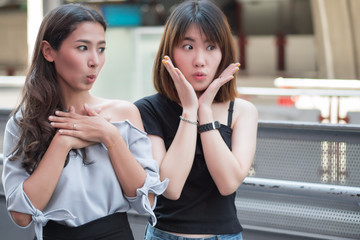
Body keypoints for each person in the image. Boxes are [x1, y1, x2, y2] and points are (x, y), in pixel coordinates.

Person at [2, 3, 167, 240]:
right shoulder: (24, 123)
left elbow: (147, 200)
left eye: (101, 49)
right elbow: (21, 214)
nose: (95, 61)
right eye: (82, 48)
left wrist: (110, 137)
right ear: (49, 51)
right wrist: (62, 143)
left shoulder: (123, 114)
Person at [134, 0, 258, 239]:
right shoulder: (147, 109)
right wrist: (190, 111)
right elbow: (170, 188)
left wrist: (206, 113)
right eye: (188, 47)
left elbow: (228, 182)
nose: (200, 60)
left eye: (211, 47)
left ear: (224, 54)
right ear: (169, 52)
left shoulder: (243, 111)